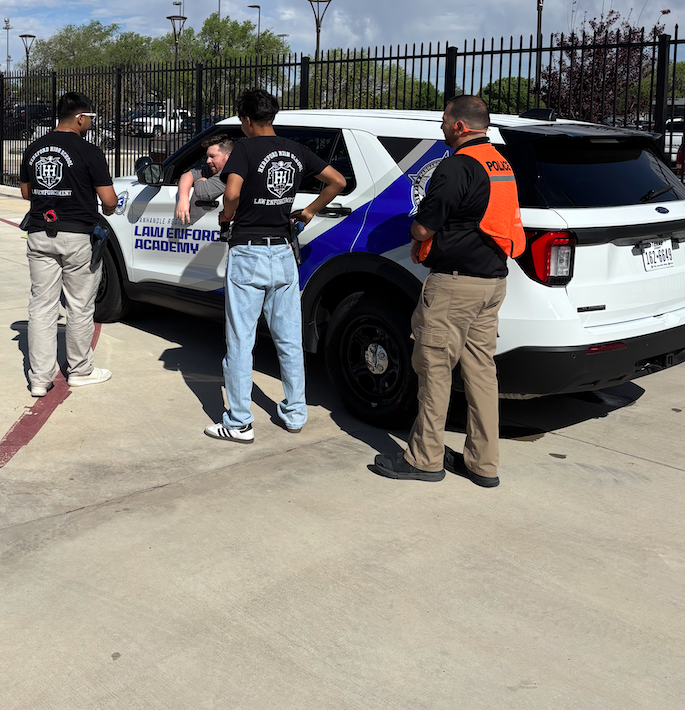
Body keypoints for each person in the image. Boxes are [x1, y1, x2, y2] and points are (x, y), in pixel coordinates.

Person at [371, 95, 525, 487]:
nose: (440, 127)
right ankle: (482, 464)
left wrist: (412, 229)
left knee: (434, 369)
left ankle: (424, 459)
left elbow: (423, 228)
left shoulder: (456, 167)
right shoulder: (500, 162)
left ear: (459, 126)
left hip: (455, 285)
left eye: (443, 121)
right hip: (492, 283)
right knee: (480, 373)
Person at [204, 88, 346, 442]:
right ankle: (295, 412)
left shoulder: (244, 150)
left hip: (249, 249)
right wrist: (310, 210)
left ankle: (238, 422)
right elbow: (338, 181)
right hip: (283, 250)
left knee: (240, 340)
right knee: (288, 339)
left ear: (247, 120)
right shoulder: (296, 151)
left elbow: (232, 192)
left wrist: (226, 215)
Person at [19, 92, 118, 398]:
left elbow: (26, 192)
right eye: (90, 118)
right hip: (77, 237)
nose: (91, 123)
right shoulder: (89, 152)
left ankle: (39, 378)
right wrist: (109, 209)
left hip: (39, 232)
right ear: (79, 118)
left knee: (42, 306)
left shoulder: (33, 149)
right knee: (78, 306)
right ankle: (80, 370)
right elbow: (109, 200)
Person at [174, 134, 235, 224]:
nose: (208, 161)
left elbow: (203, 192)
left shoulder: (230, 172)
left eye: (212, 156)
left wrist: (200, 180)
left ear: (228, 156)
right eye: (207, 156)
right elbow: (188, 175)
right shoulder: (215, 170)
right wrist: (183, 199)